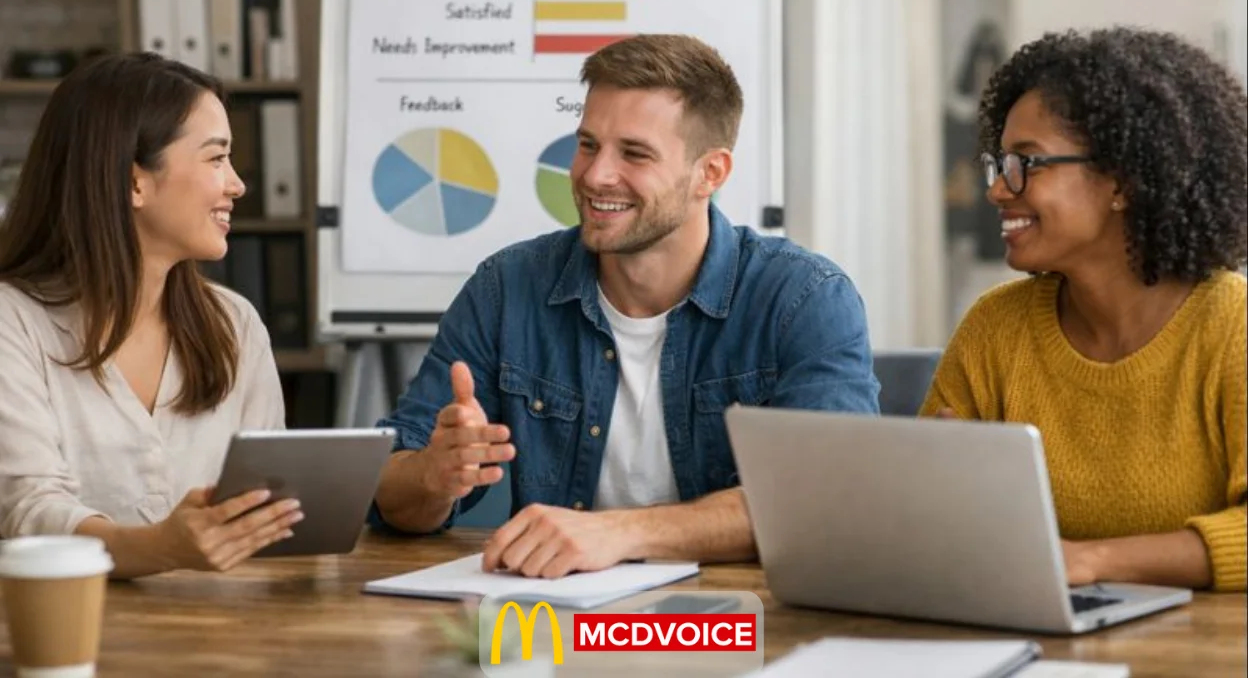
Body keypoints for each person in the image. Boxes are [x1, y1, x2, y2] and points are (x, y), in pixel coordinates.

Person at [372, 34, 880, 577]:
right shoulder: (506, 288)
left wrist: (621, 532)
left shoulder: (803, 298)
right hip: (553, 627)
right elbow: (389, 497)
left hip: (735, 628)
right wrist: (434, 475)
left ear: (710, 173)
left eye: (633, 153)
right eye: (588, 144)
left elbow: (826, 500)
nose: (594, 175)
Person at [921, 27, 1247, 593]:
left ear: (1121, 182)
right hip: (1028, 638)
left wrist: (1092, 561)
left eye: (1027, 162)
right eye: (999, 164)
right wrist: (936, 483)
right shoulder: (996, 328)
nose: (998, 190)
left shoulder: (1232, 327)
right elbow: (922, 520)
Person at [0, 52, 302, 579]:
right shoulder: (14, 321)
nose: (237, 185)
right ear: (133, 182)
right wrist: (160, 548)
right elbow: (26, 509)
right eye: (215, 159)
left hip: (228, 638)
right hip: (73, 636)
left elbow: (265, 506)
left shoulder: (236, 324)